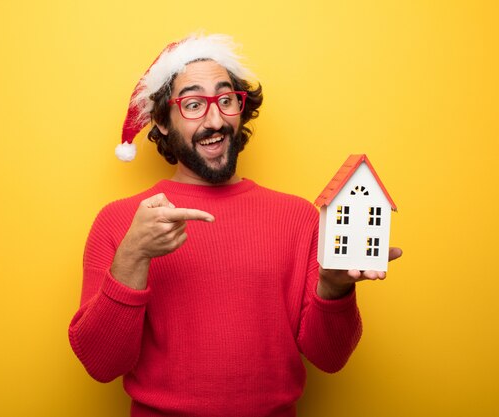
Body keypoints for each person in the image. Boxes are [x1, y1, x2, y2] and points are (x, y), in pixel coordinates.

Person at [68, 33, 402, 417]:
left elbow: (330, 359)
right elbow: (100, 364)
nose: (215, 120)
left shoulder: (298, 218)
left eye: (226, 100)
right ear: (161, 121)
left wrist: (334, 288)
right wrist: (132, 256)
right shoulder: (119, 222)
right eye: (193, 104)